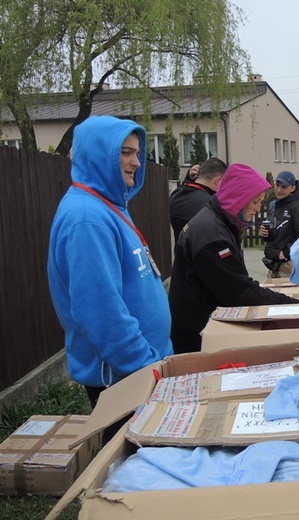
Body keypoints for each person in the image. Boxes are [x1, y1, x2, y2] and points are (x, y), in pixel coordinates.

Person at [47, 115, 173, 414]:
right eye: (125, 153)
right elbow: (101, 313)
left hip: (141, 371)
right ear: (98, 155)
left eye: (138, 153)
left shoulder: (106, 207)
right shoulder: (87, 218)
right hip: (125, 378)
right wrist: (149, 367)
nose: (137, 162)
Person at [168, 163, 299, 355]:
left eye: (261, 202)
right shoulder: (212, 234)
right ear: (239, 198)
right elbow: (238, 292)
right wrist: (290, 304)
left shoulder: (217, 221)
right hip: (196, 336)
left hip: (200, 325)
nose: (258, 209)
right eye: (255, 202)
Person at [261, 170, 299, 278]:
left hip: (287, 265)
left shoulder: (296, 207)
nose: (279, 190)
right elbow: (277, 232)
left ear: (292, 188)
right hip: (273, 264)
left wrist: (286, 253)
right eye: (277, 185)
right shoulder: (272, 205)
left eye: (283, 187)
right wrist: (266, 234)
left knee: (287, 294)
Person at [169, 157, 227, 242]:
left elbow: (187, 189)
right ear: (217, 180)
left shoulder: (176, 195)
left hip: (180, 251)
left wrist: (188, 179)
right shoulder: (210, 205)